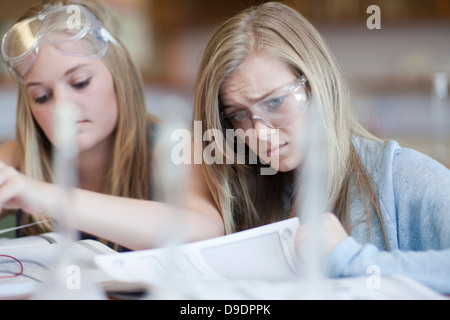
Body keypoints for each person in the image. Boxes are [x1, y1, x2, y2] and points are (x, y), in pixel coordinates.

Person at [191, 2, 450, 293]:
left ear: (317, 85)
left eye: (275, 102)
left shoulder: (402, 177)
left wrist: (348, 258)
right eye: (239, 115)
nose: (260, 133)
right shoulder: (245, 189)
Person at [0, 0, 223, 250]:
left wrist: (44, 196)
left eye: (80, 82)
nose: (61, 107)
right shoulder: (17, 158)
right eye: (41, 96)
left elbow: (204, 229)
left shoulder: (172, 145)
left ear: (120, 76)